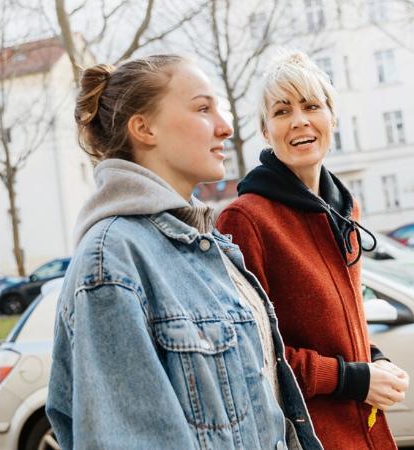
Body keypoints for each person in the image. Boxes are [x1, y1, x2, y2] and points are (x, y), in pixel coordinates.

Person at [46, 55, 322, 450]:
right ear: (144, 128)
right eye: (203, 108)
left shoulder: (212, 246)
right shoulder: (112, 261)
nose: (225, 127)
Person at [217, 51, 409, 449]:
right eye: (282, 111)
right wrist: (355, 379)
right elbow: (251, 356)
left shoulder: (344, 208)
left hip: (365, 428)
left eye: (311, 106)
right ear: (266, 131)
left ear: (332, 119)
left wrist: (372, 359)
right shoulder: (245, 219)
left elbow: (336, 325)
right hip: (304, 435)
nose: (300, 120)